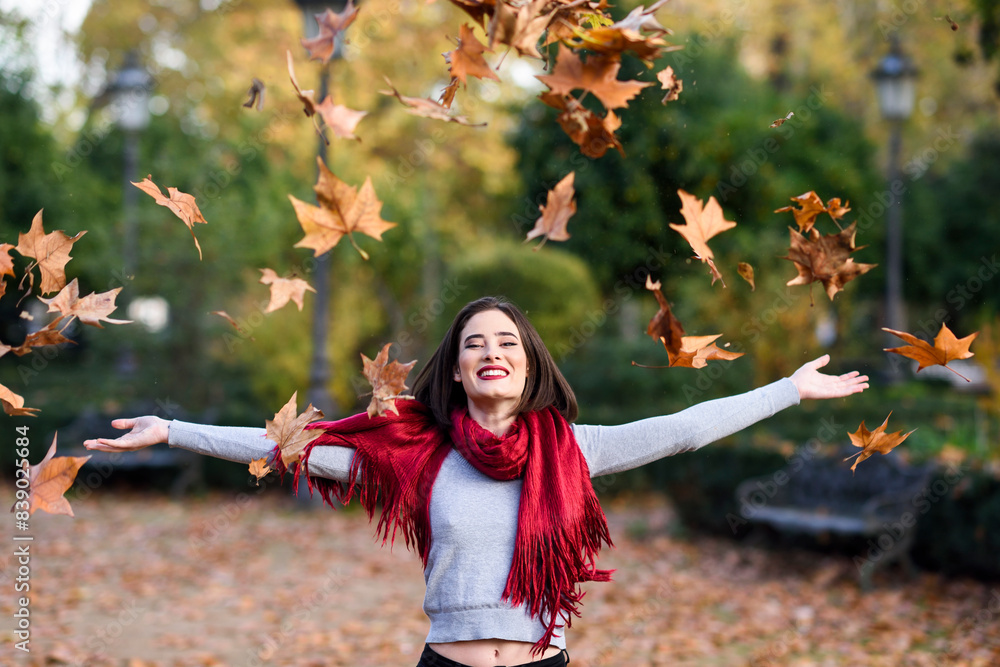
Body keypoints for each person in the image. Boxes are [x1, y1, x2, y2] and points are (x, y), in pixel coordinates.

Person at [85, 296, 869, 667]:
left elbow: (686, 427)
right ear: (457, 371)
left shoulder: (574, 447)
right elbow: (288, 442)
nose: (491, 351)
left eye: (506, 341)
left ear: (526, 364)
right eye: (474, 344)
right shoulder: (414, 454)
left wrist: (790, 389)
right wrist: (173, 428)